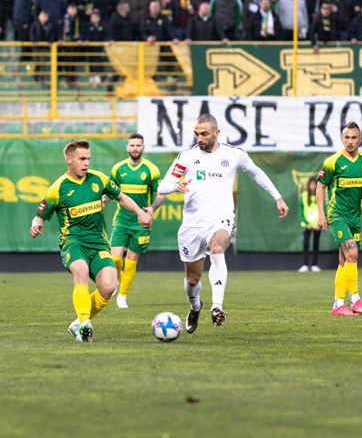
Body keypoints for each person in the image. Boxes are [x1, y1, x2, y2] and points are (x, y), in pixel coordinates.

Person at [157, 114, 289, 333]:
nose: (199, 138)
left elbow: (256, 173)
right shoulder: (187, 157)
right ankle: (195, 305)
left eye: (204, 134)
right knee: (192, 280)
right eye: (196, 133)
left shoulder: (234, 154)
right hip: (192, 224)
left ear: (216, 133)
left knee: (218, 249)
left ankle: (217, 307)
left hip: (220, 218)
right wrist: (175, 186)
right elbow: (163, 185)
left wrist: (278, 197)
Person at [30, 139, 152, 342]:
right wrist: (36, 224)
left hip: (98, 244)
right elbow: (40, 214)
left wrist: (140, 212)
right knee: (81, 271)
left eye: (88, 158)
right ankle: (85, 325)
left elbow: (121, 197)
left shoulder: (99, 180)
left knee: (109, 287)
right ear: (69, 160)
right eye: (82, 159)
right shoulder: (57, 189)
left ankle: (78, 322)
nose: (86, 163)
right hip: (73, 243)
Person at [317, 122, 362, 317]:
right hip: (337, 215)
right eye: (347, 137)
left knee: (344, 261)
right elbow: (320, 186)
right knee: (353, 253)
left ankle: (338, 304)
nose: (350, 141)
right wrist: (322, 214)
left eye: (354, 137)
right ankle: (355, 300)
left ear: (360, 139)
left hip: (355, 217)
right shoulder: (333, 162)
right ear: (342, 139)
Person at [106, 134, 165, 309]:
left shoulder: (151, 170)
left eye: (138, 145)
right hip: (121, 220)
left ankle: (122, 297)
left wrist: (153, 208)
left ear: (143, 147)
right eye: (132, 145)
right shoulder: (118, 169)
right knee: (115, 259)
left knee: (131, 261)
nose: (135, 148)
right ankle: (117, 280)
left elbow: (160, 195)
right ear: (127, 147)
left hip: (141, 223)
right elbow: (111, 192)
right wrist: (103, 199)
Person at [298, 177, 321, 273]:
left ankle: (314, 265)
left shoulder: (319, 196)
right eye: (311, 184)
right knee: (306, 244)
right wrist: (307, 224)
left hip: (317, 225)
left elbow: (322, 209)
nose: (313, 186)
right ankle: (305, 265)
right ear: (308, 185)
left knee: (316, 244)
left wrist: (319, 223)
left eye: (314, 184)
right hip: (307, 225)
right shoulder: (304, 195)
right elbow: (301, 211)